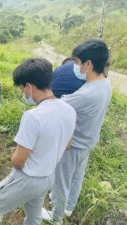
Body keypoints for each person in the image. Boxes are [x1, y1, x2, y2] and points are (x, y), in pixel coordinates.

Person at [0, 58, 77, 225]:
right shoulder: (69, 110)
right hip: (48, 176)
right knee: (33, 215)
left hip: (29, 178)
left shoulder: (33, 116)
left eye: (21, 88)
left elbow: (18, 161)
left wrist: (14, 155)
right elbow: (68, 144)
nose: (23, 93)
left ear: (29, 87)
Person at [42, 39, 112, 224]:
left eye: (78, 62)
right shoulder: (105, 84)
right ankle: (69, 208)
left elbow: (56, 105)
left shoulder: (85, 94)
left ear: (88, 64)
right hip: (88, 142)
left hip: (73, 146)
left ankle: (56, 217)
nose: (75, 66)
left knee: (60, 183)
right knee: (76, 178)